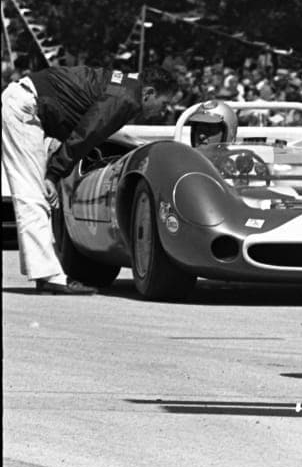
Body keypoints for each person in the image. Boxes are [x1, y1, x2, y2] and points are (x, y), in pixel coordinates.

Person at [1, 64, 176, 294]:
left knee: (34, 196)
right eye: (163, 103)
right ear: (149, 93)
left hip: (33, 103)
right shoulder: (127, 98)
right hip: (27, 107)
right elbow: (87, 134)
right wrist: (54, 173)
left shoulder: (127, 87)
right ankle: (48, 276)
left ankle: (43, 272)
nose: (164, 110)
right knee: (32, 196)